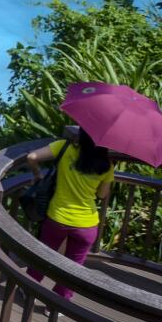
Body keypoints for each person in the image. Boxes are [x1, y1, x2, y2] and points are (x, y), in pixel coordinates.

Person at [24, 128, 114, 300]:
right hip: (87, 224)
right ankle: (60, 301)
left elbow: (32, 157)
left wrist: (36, 175)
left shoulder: (64, 147)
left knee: (43, 255)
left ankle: (30, 290)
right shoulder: (107, 165)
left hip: (58, 217)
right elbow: (102, 195)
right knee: (74, 265)